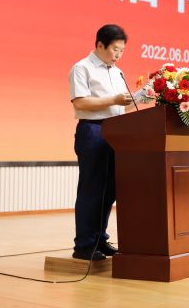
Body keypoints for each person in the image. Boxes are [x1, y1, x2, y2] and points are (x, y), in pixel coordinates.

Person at [69, 24, 134, 261]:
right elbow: (80, 103)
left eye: (122, 51)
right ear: (99, 45)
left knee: (110, 190)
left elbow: (120, 106)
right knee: (92, 188)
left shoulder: (117, 72)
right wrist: (114, 99)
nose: (118, 55)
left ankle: (99, 239)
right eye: (115, 49)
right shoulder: (82, 68)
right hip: (93, 130)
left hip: (116, 131)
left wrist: (140, 97)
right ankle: (84, 245)